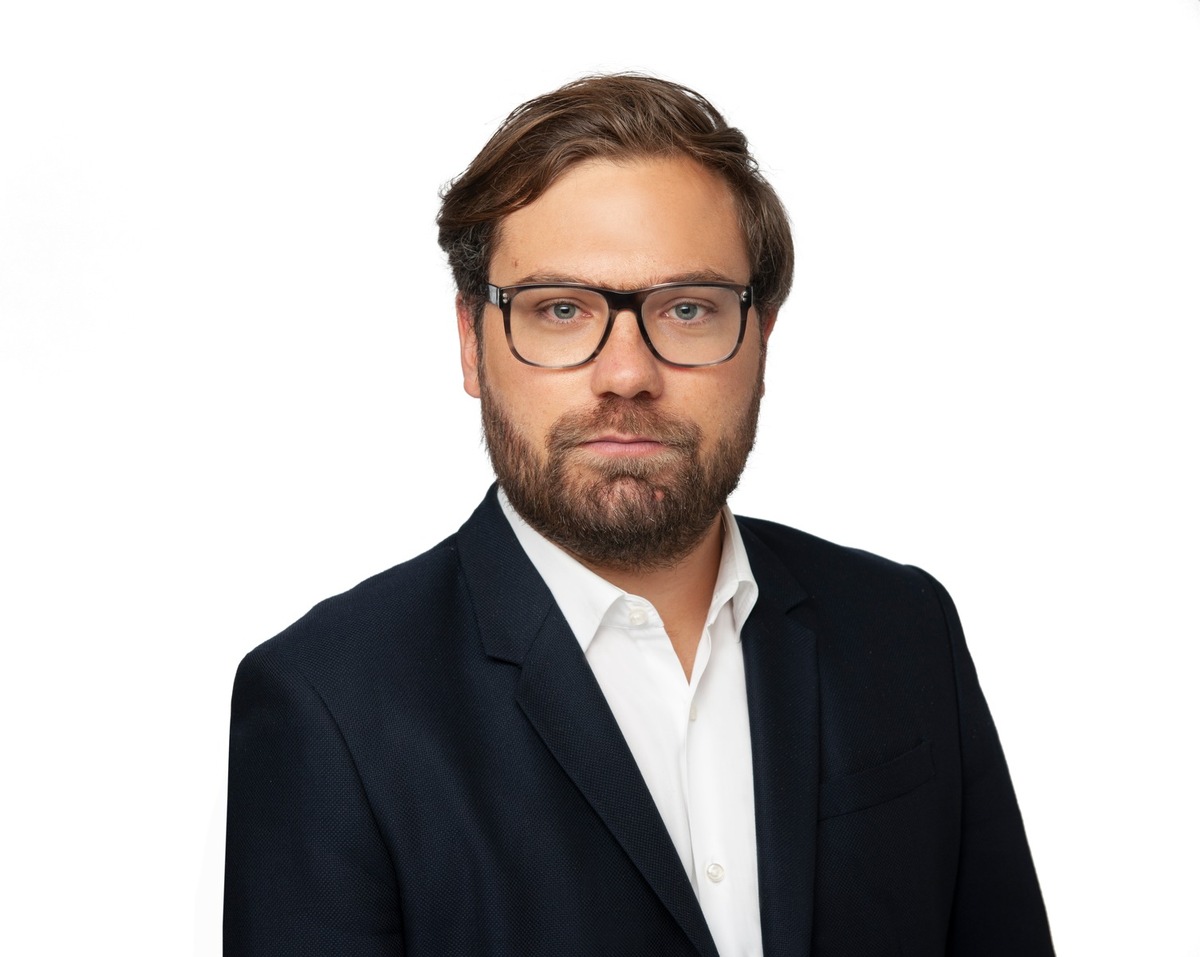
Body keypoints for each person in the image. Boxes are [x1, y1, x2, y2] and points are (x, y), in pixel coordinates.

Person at [223, 73, 1054, 956]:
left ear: (762, 337)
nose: (627, 373)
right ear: (471, 341)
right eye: (561, 309)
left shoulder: (903, 628)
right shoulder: (328, 704)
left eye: (688, 308)